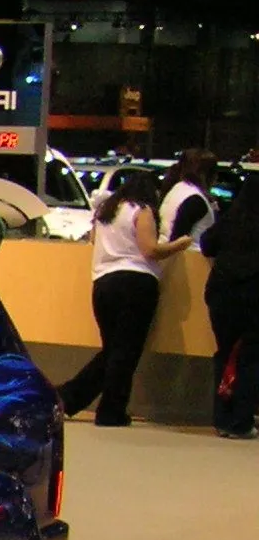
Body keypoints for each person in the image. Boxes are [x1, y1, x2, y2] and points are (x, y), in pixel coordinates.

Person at [57, 167, 190, 426]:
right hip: (136, 284)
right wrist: (180, 244)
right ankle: (110, 409)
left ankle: (69, 397)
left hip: (103, 284)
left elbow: (93, 240)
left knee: (113, 350)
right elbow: (150, 250)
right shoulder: (142, 210)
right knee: (125, 351)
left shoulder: (105, 212)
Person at [203, 185, 259, 439]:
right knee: (250, 357)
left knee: (224, 354)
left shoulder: (229, 221)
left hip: (221, 295)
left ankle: (222, 418)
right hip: (252, 295)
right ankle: (240, 420)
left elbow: (207, 244)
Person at [159, 149, 219, 253]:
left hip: (167, 254)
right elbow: (177, 239)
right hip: (189, 258)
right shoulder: (195, 199)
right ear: (208, 175)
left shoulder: (177, 189)